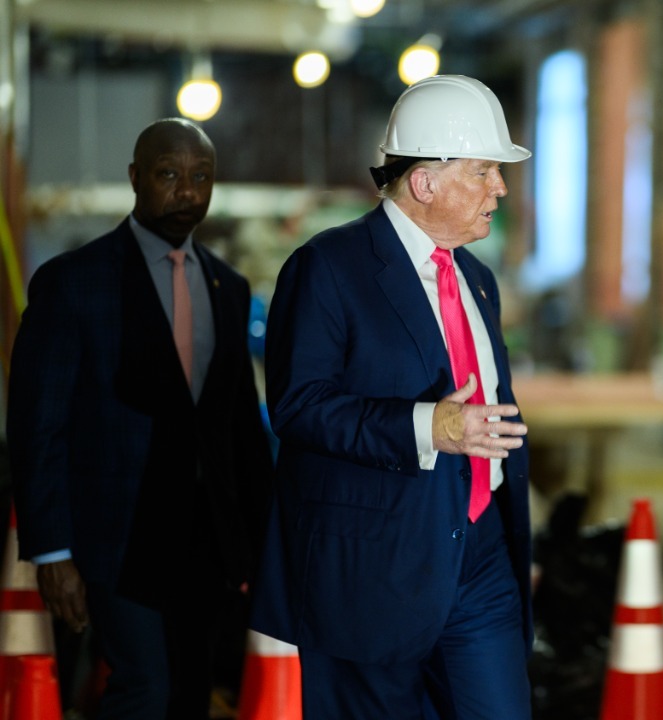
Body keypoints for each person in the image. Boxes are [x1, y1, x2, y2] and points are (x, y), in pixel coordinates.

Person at [250, 75, 534, 719]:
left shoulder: (478, 279)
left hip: (480, 558)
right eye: (484, 170)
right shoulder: (327, 267)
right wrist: (429, 426)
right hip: (370, 569)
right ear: (424, 182)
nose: (500, 188)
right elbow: (298, 405)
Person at [7, 117, 275, 719]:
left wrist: (261, 544)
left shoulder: (228, 288)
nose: (187, 192)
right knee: (144, 689)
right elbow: (37, 426)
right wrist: (51, 553)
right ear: (135, 178)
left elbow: (238, 430)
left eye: (201, 177)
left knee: (189, 694)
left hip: (206, 540)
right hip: (115, 538)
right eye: (168, 174)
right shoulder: (74, 283)